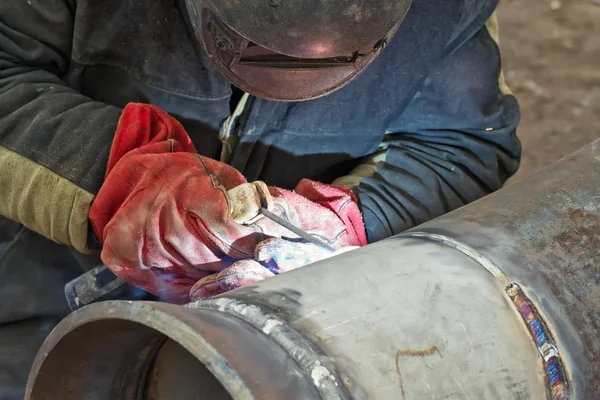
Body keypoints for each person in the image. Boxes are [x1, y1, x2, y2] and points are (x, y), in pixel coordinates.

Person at [0, 0, 520, 397]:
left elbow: (460, 141)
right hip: (39, 285)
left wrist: (351, 220)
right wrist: (116, 180)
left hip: (279, 325)